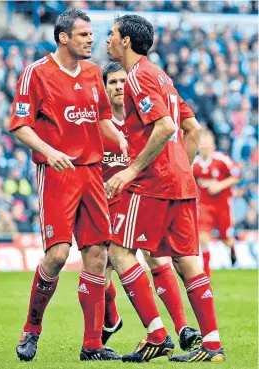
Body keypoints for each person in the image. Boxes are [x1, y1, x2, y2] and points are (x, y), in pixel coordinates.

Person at [105, 14, 226, 363]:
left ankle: (157, 334)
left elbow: (165, 126)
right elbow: (193, 129)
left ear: (126, 41)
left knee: (119, 251)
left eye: (113, 34)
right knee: (186, 261)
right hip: (180, 182)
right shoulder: (161, 76)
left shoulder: (138, 76)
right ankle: (213, 346)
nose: (108, 39)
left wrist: (132, 170)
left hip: (153, 182)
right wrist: (181, 170)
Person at [9, 9, 127, 362]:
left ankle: (92, 345)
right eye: (84, 35)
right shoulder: (37, 73)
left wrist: (121, 141)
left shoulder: (93, 73)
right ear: (63, 37)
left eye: (92, 34)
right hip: (58, 173)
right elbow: (19, 124)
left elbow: (103, 118)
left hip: (93, 173)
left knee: (97, 255)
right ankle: (31, 330)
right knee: (58, 256)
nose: (92, 40)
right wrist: (49, 150)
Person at [101, 61, 202, 352]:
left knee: (157, 259)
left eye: (122, 81)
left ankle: (179, 329)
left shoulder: (145, 115)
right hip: (107, 205)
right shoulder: (99, 123)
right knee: (100, 267)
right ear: (105, 88)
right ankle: (106, 326)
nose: (119, 87)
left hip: (141, 196)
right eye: (113, 83)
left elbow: (181, 131)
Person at [193, 130, 241, 277]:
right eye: (202, 142)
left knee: (226, 238)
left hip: (222, 206)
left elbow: (237, 175)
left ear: (213, 145)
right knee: (203, 236)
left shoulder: (221, 160)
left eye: (208, 141)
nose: (205, 144)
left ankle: (232, 249)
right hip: (205, 206)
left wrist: (219, 185)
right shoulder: (195, 163)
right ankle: (206, 273)